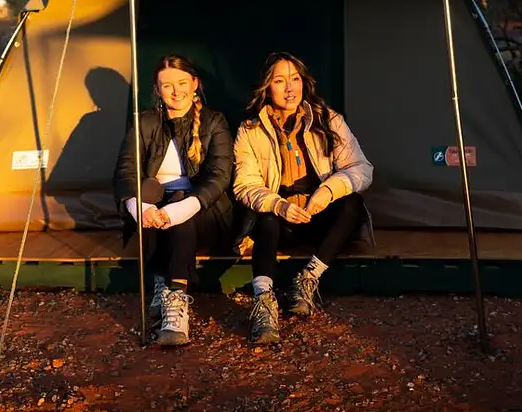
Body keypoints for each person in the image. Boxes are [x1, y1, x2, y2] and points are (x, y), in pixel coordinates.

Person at [233, 52, 373, 344]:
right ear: (266, 87)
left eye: (294, 79)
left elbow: (361, 168)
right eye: (280, 81)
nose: (289, 88)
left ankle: (308, 279)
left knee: (351, 204)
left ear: (304, 83)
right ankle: (263, 302)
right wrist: (279, 204)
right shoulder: (250, 130)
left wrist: (328, 190)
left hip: (314, 215)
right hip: (279, 220)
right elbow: (245, 184)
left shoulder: (327, 119)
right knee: (266, 218)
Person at [112, 55, 234, 347]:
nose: (176, 91)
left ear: (195, 84)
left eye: (182, 83)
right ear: (157, 90)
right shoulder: (144, 123)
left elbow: (219, 175)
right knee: (152, 197)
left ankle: (175, 301)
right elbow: (126, 170)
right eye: (167, 86)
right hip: (156, 208)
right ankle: (160, 281)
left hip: (204, 212)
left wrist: (178, 210)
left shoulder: (214, 121)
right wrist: (140, 209)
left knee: (179, 217)